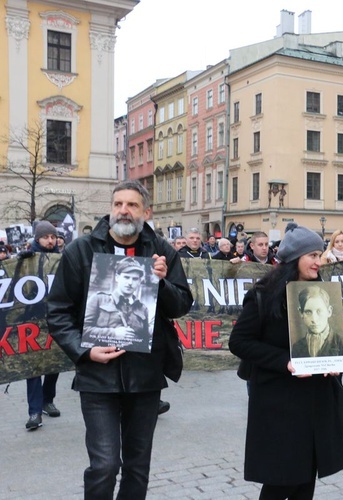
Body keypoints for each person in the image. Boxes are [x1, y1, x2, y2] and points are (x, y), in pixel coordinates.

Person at [47, 180, 193, 499]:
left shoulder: (163, 252)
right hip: (97, 379)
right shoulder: (80, 251)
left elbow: (182, 304)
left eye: (132, 205)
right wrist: (84, 351)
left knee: (137, 467)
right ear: (111, 209)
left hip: (145, 377)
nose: (124, 211)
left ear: (146, 212)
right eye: (118, 204)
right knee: (104, 465)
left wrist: (162, 283)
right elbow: (57, 311)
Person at [229, 224, 343, 499]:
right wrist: (286, 361)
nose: (320, 262)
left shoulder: (321, 292)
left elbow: (326, 337)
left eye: (320, 255)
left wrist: (333, 360)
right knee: (281, 479)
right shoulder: (264, 294)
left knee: (306, 477)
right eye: (313, 256)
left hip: (317, 400)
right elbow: (239, 342)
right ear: (296, 258)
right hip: (279, 401)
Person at [23, 221, 61, 430]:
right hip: (32, 321)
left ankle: (47, 400)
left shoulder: (61, 260)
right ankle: (34, 411)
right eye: (46, 237)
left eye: (53, 237)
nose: (50, 240)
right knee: (33, 365)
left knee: (54, 363)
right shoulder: (27, 260)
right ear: (38, 239)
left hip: (55, 319)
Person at [83, 257, 150, 351]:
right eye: (126, 277)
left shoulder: (143, 309)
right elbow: (84, 330)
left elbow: (144, 343)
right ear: (117, 277)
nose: (130, 283)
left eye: (135, 279)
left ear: (139, 281)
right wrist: (113, 333)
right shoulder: (99, 299)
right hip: (102, 356)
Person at [291, 285, 343, 358]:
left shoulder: (340, 343)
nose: (314, 319)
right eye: (308, 312)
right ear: (301, 313)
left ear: (329, 311)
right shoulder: (297, 347)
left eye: (319, 311)